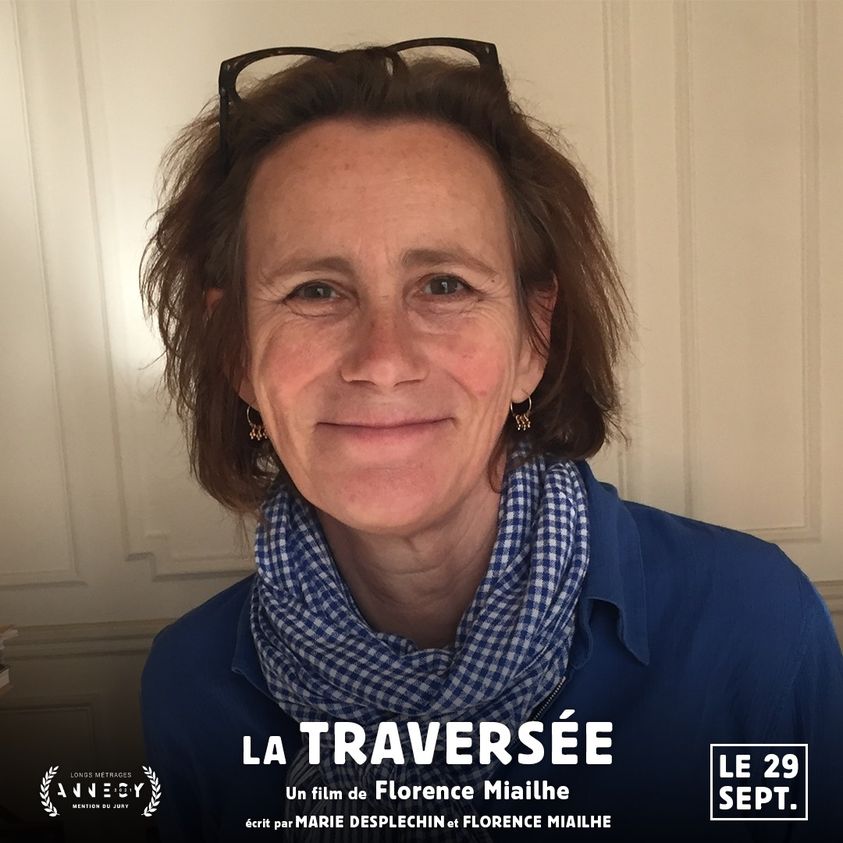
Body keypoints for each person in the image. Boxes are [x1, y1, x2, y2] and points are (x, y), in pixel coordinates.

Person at [139, 39, 843, 842]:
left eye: (444, 285)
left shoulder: (749, 626)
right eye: (315, 290)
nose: (383, 360)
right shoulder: (190, 686)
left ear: (533, 337)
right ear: (236, 351)